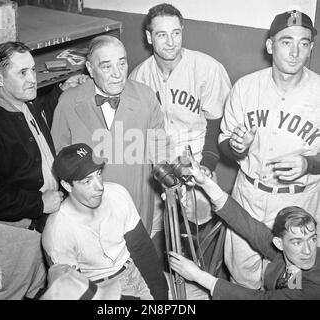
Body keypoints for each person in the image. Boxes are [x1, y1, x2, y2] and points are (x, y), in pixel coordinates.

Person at [0, 41, 87, 299]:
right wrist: (38, 202)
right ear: (0, 79)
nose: (33, 79)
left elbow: (30, 129)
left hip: (39, 224)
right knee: (9, 294)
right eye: (22, 73)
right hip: (8, 236)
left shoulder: (26, 99)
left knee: (38, 289)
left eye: (33, 70)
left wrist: (59, 91)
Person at [218, 10, 320, 289]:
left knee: (292, 282)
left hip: (298, 202)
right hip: (248, 196)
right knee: (241, 277)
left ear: (311, 47)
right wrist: (238, 148)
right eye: (286, 41)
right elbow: (225, 142)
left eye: (304, 43)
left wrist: (309, 164)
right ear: (270, 45)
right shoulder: (245, 87)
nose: (295, 51)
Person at [129, 3, 231, 241]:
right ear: (149, 36)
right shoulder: (139, 76)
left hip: (195, 157)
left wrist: (206, 165)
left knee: (196, 229)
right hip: (155, 163)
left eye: (176, 33)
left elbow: (218, 123)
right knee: (152, 228)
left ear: (182, 31)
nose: (171, 41)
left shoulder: (207, 69)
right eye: (161, 34)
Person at [51, 35, 168, 235]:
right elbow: (60, 156)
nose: (117, 74)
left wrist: (170, 181)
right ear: (89, 68)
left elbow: (159, 149)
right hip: (89, 213)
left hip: (135, 205)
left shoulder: (146, 97)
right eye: (106, 67)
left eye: (122, 64)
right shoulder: (69, 101)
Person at [169, 159, 320, 299]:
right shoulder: (285, 254)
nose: (308, 251)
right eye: (297, 242)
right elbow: (245, 223)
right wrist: (204, 183)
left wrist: (199, 276)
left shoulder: (315, 285)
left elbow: (260, 298)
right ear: (279, 243)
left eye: (313, 239)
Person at [42, 143, 169, 300]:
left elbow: (143, 250)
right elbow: (75, 292)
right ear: (67, 185)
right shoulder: (57, 230)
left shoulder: (118, 194)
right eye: (87, 181)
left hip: (135, 273)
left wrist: (161, 296)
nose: (99, 186)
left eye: (98, 174)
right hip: (98, 289)